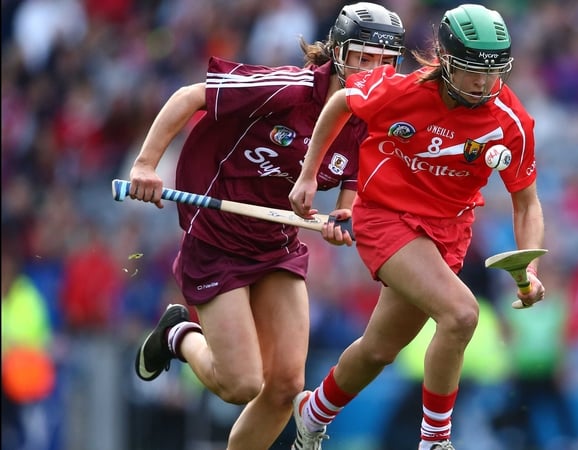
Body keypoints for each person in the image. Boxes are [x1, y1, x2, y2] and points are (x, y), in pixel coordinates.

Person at [126, 3, 405, 449]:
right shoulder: (288, 89)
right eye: (362, 57)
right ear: (336, 53)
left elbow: (351, 184)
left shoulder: (370, 117)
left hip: (276, 244)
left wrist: (342, 217)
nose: (374, 70)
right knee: (241, 385)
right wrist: (145, 164)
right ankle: (177, 334)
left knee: (285, 386)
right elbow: (189, 96)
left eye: (385, 61)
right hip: (217, 238)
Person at [288, 4, 545, 450]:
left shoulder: (511, 121)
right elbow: (339, 103)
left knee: (378, 350)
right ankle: (435, 441)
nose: (483, 84)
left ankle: (312, 412)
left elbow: (526, 204)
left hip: (446, 233)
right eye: (470, 72)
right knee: (462, 313)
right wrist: (309, 175)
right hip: (384, 217)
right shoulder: (397, 89)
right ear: (445, 59)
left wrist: (532, 266)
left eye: (492, 71)